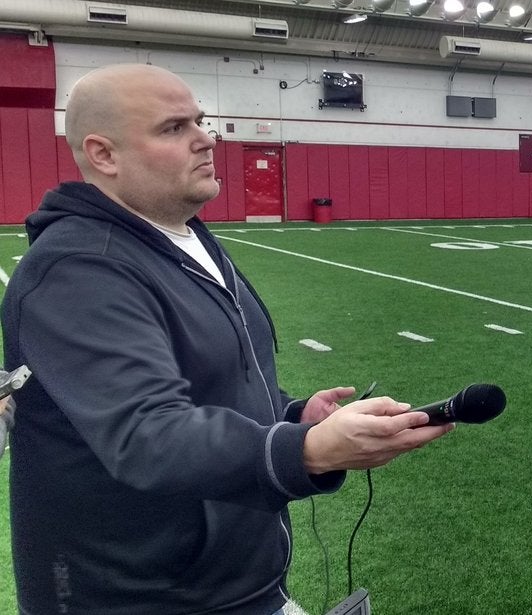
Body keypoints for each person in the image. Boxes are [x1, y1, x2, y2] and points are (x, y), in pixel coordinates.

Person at [1, 64, 452, 614]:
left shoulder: (184, 237)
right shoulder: (78, 270)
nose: (204, 139)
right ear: (103, 155)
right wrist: (307, 450)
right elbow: (147, 436)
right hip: (138, 598)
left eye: (201, 121)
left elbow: (209, 385)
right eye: (173, 128)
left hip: (236, 586)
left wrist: (292, 417)